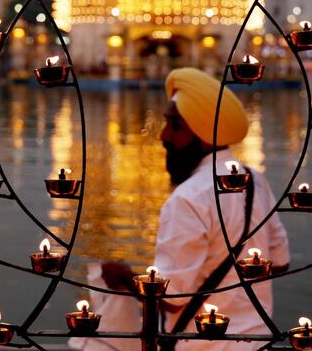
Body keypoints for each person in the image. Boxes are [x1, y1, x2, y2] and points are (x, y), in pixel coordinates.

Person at [101, 68, 290, 349]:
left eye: (175, 125)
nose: (163, 136)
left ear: (204, 134)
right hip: (256, 341)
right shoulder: (254, 180)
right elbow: (281, 262)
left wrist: (124, 276)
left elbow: (172, 299)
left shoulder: (188, 198)